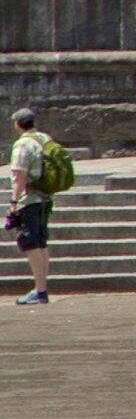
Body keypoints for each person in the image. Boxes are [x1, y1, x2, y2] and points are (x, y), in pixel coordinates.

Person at [7, 106, 50, 305]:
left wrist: (14, 202)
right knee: (41, 241)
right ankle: (42, 287)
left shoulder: (23, 144)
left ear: (17, 124)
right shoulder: (44, 138)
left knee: (29, 242)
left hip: (30, 199)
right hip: (46, 197)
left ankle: (39, 290)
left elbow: (20, 175)